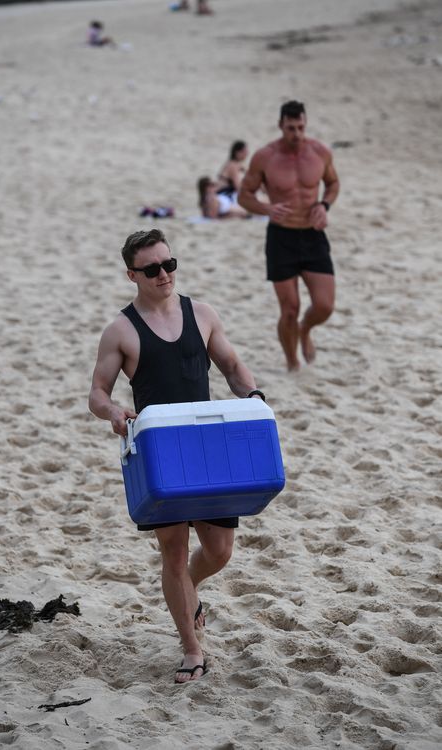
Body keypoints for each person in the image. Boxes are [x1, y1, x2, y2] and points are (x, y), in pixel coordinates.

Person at [88, 228, 264, 684]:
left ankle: (188, 586)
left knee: (220, 551)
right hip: (160, 450)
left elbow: (230, 366)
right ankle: (191, 648)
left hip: (208, 445)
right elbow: (97, 393)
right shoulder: (121, 329)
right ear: (132, 274)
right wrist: (113, 412)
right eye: (152, 269)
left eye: (169, 264)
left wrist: (254, 396)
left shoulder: (202, 314)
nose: (164, 274)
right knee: (172, 552)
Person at [238, 100, 340, 371]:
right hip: (281, 238)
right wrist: (266, 208)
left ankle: (305, 329)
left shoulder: (320, 152)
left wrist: (324, 205)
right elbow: (243, 195)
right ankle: (292, 362)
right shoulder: (265, 157)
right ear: (281, 125)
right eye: (291, 128)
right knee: (289, 308)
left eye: (301, 127)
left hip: (313, 236)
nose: (296, 133)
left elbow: (332, 183)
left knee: (324, 306)